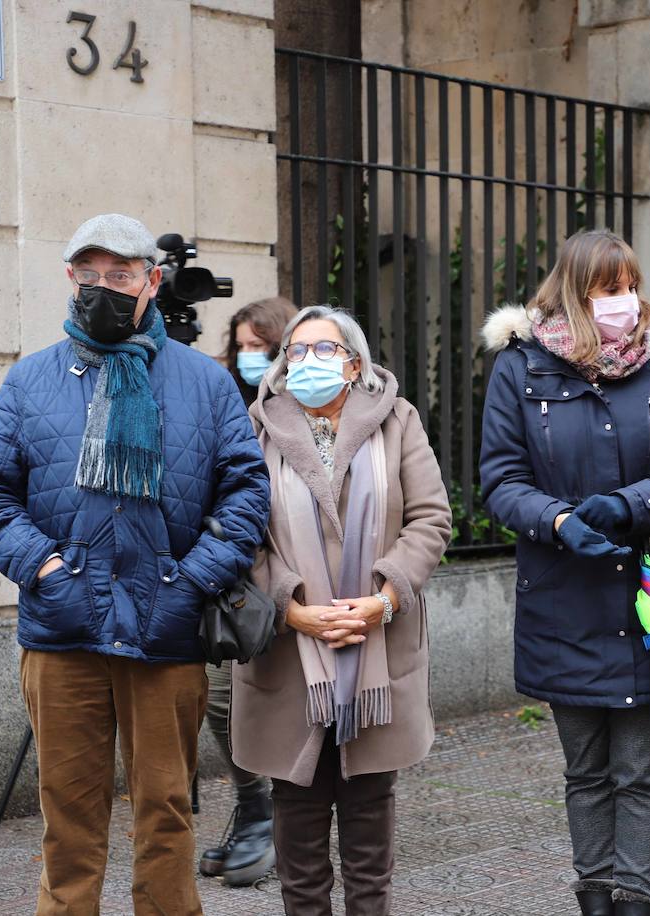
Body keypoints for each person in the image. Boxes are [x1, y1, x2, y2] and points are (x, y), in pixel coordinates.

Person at [0, 213, 270, 916]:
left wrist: (192, 581)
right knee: (68, 819)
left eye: (121, 275)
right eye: (89, 274)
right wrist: (44, 569)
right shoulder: (30, 380)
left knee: (166, 812)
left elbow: (247, 493)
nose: (103, 287)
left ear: (151, 281)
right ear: (70, 277)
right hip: (63, 629)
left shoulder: (205, 381)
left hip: (166, 627)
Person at [478, 229, 650, 916]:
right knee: (586, 771)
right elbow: (501, 480)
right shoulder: (520, 369)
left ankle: (640, 902)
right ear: (576, 292)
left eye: (631, 286)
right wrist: (557, 521)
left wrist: (632, 504)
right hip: (564, 599)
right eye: (611, 288)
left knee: (642, 771)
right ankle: (595, 899)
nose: (627, 301)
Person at [230, 305, 451, 916]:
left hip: (377, 643)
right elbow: (238, 534)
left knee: (369, 834)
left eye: (324, 350)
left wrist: (385, 598)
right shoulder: (255, 427)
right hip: (288, 654)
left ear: (354, 364)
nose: (308, 361)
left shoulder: (397, 420)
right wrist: (289, 607)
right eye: (296, 351)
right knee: (297, 831)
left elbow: (430, 520)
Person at [200, 294, 296, 886]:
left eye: (260, 346)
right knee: (219, 698)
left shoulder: (308, 404)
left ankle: (289, 819)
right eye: (241, 347)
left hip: (297, 577)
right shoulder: (224, 399)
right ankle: (257, 806)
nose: (248, 356)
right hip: (233, 576)